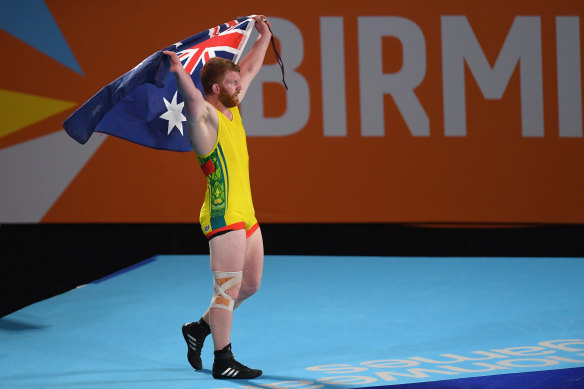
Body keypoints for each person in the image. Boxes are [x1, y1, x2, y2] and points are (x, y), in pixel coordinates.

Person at [163, 15, 271, 380]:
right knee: (227, 289)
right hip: (224, 215)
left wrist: (264, 36)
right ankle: (223, 360)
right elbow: (192, 98)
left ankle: (197, 329)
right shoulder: (204, 118)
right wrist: (179, 71)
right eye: (233, 83)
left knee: (250, 285)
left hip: (248, 213)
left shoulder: (233, 110)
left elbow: (251, 69)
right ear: (214, 88)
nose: (241, 87)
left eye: (239, 83)